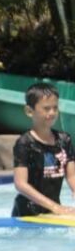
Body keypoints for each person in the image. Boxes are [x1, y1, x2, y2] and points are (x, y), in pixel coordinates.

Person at [12, 82, 75, 217]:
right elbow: (20, 184)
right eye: (46, 108)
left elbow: (72, 175)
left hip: (53, 211)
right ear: (29, 111)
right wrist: (55, 207)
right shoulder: (24, 143)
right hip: (27, 213)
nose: (52, 113)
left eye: (55, 108)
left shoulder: (64, 140)